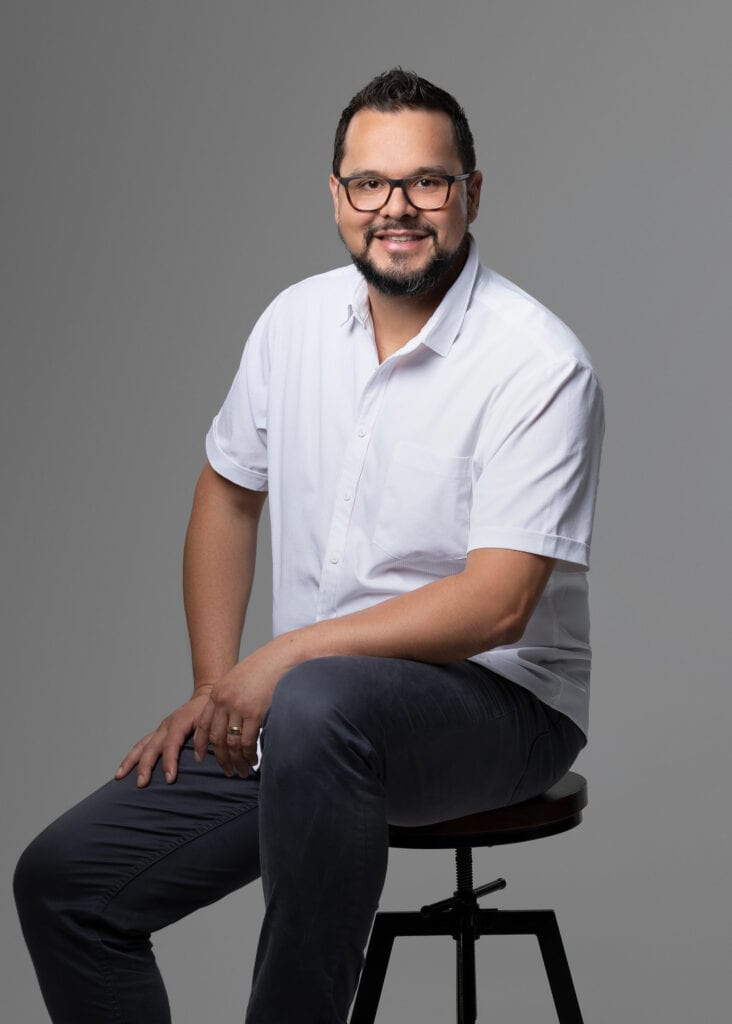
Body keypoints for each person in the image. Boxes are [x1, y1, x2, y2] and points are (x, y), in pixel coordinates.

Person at [14, 68, 604, 1024]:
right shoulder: (293, 323)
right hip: (309, 718)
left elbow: (495, 603)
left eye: (428, 182)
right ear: (337, 195)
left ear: (472, 194)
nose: (397, 208)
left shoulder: (537, 363)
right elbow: (226, 492)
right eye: (370, 183)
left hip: (502, 708)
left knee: (320, 701)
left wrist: (275, 665)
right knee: (65, 885)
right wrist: (221, 692)